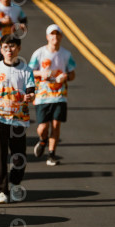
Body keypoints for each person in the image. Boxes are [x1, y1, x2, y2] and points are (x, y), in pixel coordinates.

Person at [0, 34, 35, 204]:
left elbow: (31, 92)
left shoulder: (26, 70)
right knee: (0, 154)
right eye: (5, 47)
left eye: (12, 46)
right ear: (1, 49)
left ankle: (16, 183)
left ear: (18, 48)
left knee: (19, 156)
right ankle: (2, 191)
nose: (9, 50)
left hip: (18, 118)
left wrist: (30, 97)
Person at [29, 24, 76, 166]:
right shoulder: (39, 53)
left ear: (61, 37)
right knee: (43, 127)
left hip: (59, 95)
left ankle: (51, 154)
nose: (55, 36)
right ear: (47, 37)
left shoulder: (66, 55)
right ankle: (43, 140)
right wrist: (41, 73)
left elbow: (72, 74)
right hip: (42, 95)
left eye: (57, 34)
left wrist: (65, 77)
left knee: (56, 125)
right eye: (52, 34)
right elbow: (30, 71)